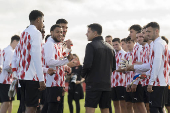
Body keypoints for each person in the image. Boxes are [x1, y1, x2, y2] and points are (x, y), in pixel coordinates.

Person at [12, 10, 46, 113]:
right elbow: (36, 56)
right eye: (42, 21)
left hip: (22, 76)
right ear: (38, 20)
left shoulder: (24, 32)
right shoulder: (36, 33)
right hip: (32, 76)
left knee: (26, 107)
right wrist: (41, 79)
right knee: (32, 108)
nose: (42, 24)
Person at [82, 23, 116, 113]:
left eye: (88, 31)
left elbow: (87, 64)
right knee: (105, 109)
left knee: (90, 108)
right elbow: (113, 67)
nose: (86, 34)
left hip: (93, 84)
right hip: (107, 84)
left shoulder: (91, 45)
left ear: (95, 33)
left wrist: (82, 75)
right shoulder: (110, 48)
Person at [43, 24, 73, 113]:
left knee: (49, 108)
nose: (60, 34)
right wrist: (66, 61)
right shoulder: (50, 44)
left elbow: (60, 57)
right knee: (53, 109)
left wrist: (68, 50)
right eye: (57, 32)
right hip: (53, 83)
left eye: (61, 32)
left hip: (57, 82)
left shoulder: (55, 44)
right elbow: (50, 62)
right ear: (51, 32)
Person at [146, 22, 169, 113]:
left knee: (154, 108)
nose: (147, 34)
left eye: (149, 31)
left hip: (158, 82)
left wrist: (151, 81)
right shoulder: (161, 42)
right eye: (147, 31)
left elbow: (157, 63)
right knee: (159, 108)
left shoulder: (158, 44)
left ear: (156, 31)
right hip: (162, 81)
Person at [0, 35, 20, 113]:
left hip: (5, 80)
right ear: (14, 41)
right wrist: (15, 71)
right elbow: (6, 66)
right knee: (6, 102)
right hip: (6, 80)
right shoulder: (10, 52)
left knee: (9, 101)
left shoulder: (5, 50)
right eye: (18, 43)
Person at [111, 38, 127, 113]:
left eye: (116, 44)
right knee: (115, 104)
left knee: (123, 104)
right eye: (113, 45)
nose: (115, 46)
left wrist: (120, 69)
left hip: (122, 82)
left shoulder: (124, 54)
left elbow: (127, 68)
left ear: (120, 44)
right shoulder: (112, 54)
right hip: (113, 83)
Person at [124, 36, 135, 113]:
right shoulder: (125, 55)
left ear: (134, 43)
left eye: (130, 42)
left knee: (138, 104)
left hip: (137, 82)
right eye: (127, 43)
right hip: (127, 82)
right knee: (128, 104)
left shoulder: (137, 52)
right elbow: (125, 70)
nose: (128, 44)